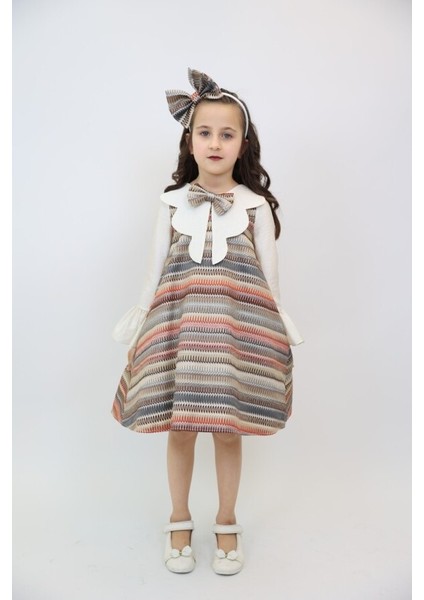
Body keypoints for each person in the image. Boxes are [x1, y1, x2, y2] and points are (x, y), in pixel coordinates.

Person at [112, 68, 303, 576]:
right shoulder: (171, 203)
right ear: (189, 141)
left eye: (227, 134)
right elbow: (154, 274)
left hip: (235, 341)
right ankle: (179, 519)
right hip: (179, 335)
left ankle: (226, 520)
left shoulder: (255, 207)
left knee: (227, 431)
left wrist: (279, 334)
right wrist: (140, 330)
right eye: (205, 132)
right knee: (180, 430)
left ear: (243, 144)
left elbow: (270, 285)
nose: (215, 143)